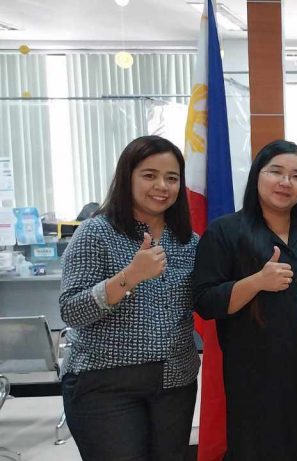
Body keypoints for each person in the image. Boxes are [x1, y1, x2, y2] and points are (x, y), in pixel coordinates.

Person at [59, 135, 198, 461]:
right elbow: (70, 310)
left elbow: (208, 299)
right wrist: (129, 276)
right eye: (149, 175)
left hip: (175, 381)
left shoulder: (189, 242)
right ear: (128, 178)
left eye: (172, 177)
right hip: (104, 384)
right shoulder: (96, 233)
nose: (162, 185)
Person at [192, 140, 297, 460]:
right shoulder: (225, 231)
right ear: (256, 176)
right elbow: (205, 302)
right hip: (255, 377)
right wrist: (257, 282)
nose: (285, 182)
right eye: (276, 172)